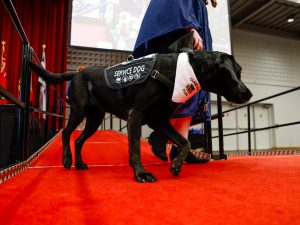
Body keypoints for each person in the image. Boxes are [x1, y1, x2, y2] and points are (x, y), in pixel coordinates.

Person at [132, 0, 217, 163]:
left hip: (187, 43)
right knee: (181, 91)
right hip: (180, 43)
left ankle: (180, 148)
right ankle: (162, 135)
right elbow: (178, 6)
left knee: (190, 93)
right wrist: (191, 28)